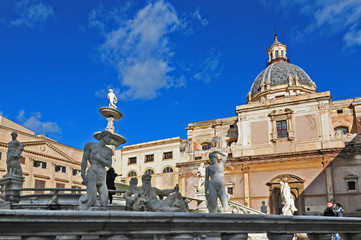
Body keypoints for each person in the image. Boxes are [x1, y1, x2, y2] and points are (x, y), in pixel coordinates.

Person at [79, 130, 113, 210]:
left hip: (103, 174)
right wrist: (83, 174)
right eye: (109, 137)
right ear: (103, 137)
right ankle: (84, 214)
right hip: (93, 172)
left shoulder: (108, 150)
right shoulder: (90, 146)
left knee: (105, 202)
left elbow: (109, 164)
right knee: (91, 198)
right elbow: (84, 160)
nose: (110, 140)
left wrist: (99, 158)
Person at [124, 174, 188, 212]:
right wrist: (128, 198)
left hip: (162, 203)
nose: (147, 182)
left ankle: (187, 212)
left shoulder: (153, 189)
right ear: (142, 181)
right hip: (156, 207)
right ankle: (186, 215)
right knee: (178, 210)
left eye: (148, 180)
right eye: (145, 180)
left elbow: (163, 192)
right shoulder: (138, 189)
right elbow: (126, 194)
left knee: (178, 194)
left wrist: (173, 190)